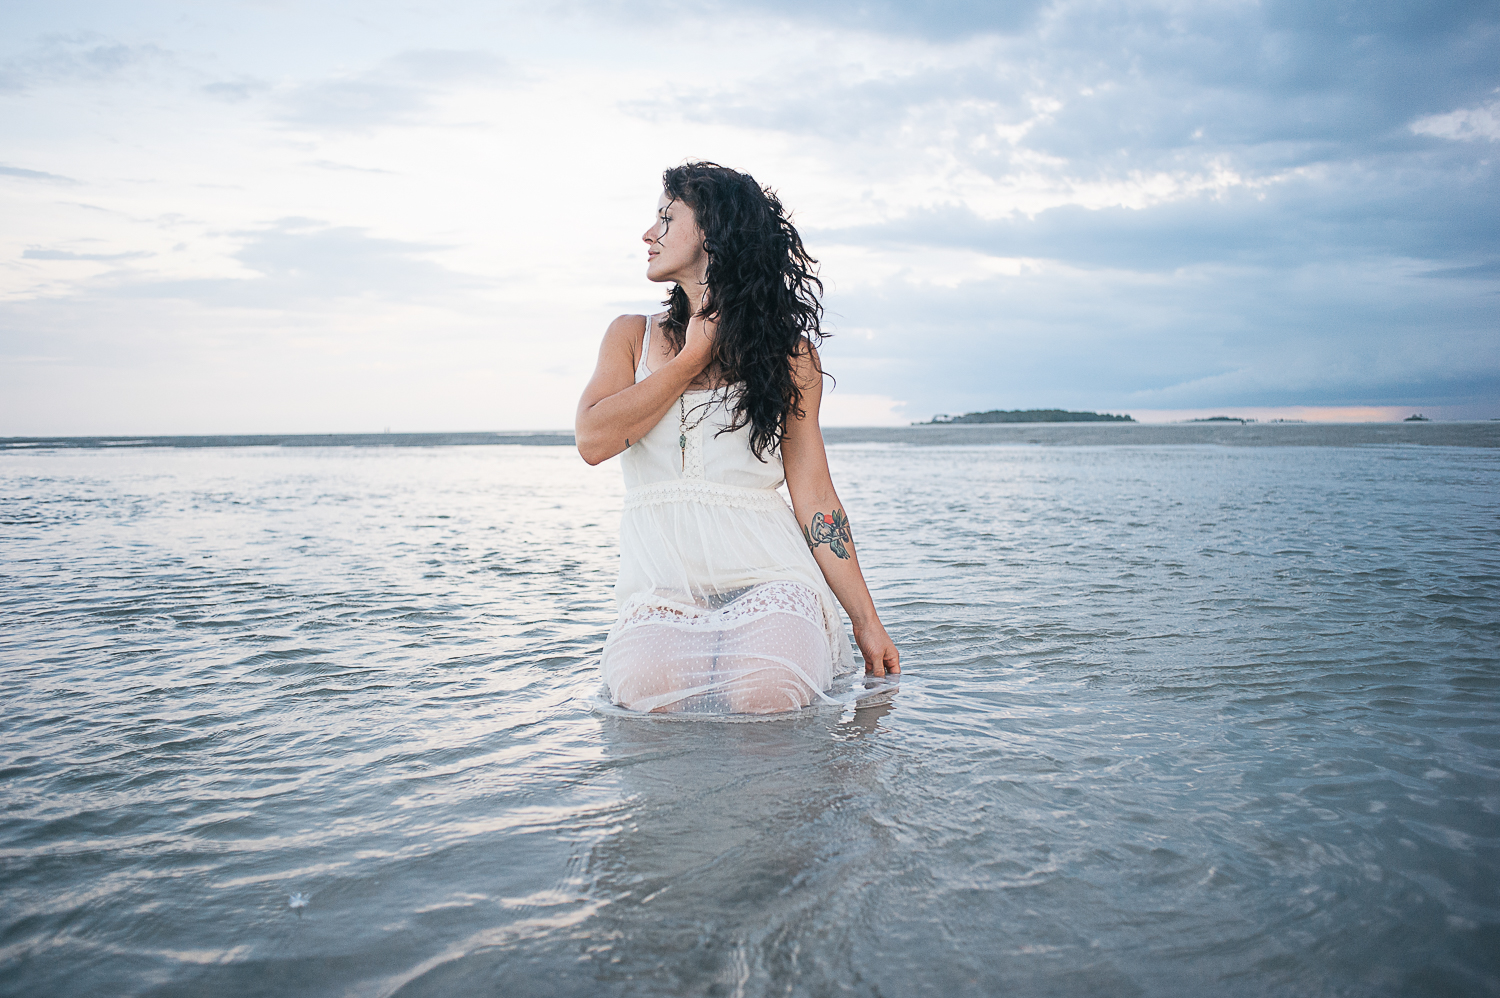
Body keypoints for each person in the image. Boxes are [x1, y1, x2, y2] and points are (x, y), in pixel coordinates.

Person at [576, 161, 900, 714]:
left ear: (712, 232)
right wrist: (693, 356)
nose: (649, 233)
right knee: (647, 695)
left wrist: (866, 622)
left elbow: (816, 498)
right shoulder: (631, 337)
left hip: (770, 577)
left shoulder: (788, 355)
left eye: (665, 218)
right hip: (663, 591)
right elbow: (593, 440)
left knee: (769, 690)